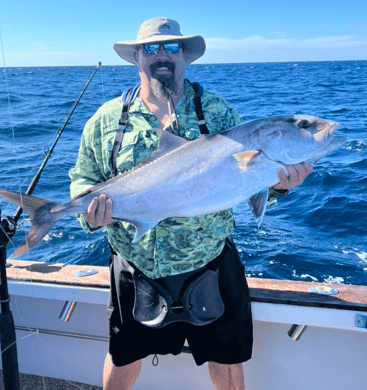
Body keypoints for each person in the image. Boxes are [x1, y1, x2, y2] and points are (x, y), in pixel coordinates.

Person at [69, 17, 312, 390]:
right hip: (137, 268)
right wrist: (88, 215)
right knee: (123, 356)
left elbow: (253, 178)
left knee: (227, 361)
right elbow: (83, 181)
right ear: (136, 57)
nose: (162, 55)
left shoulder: (216, 112)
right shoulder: (105, 122)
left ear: (184, 56)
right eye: (151, 48)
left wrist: (281, 185)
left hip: (209, 264)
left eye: (172, 47)